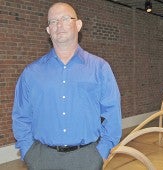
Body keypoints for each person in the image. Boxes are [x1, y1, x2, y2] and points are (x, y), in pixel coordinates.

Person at [12, 2, 122, 170]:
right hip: (42, 158)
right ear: (48, 30)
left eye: (65, 18)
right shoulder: (31, 73)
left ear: (78, 25)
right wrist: (29, 152)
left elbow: (112, 113)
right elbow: (21, 116)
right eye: (53, 21)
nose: (59, 24)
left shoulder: (100, 68)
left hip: (87, 158)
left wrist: (101, 152)